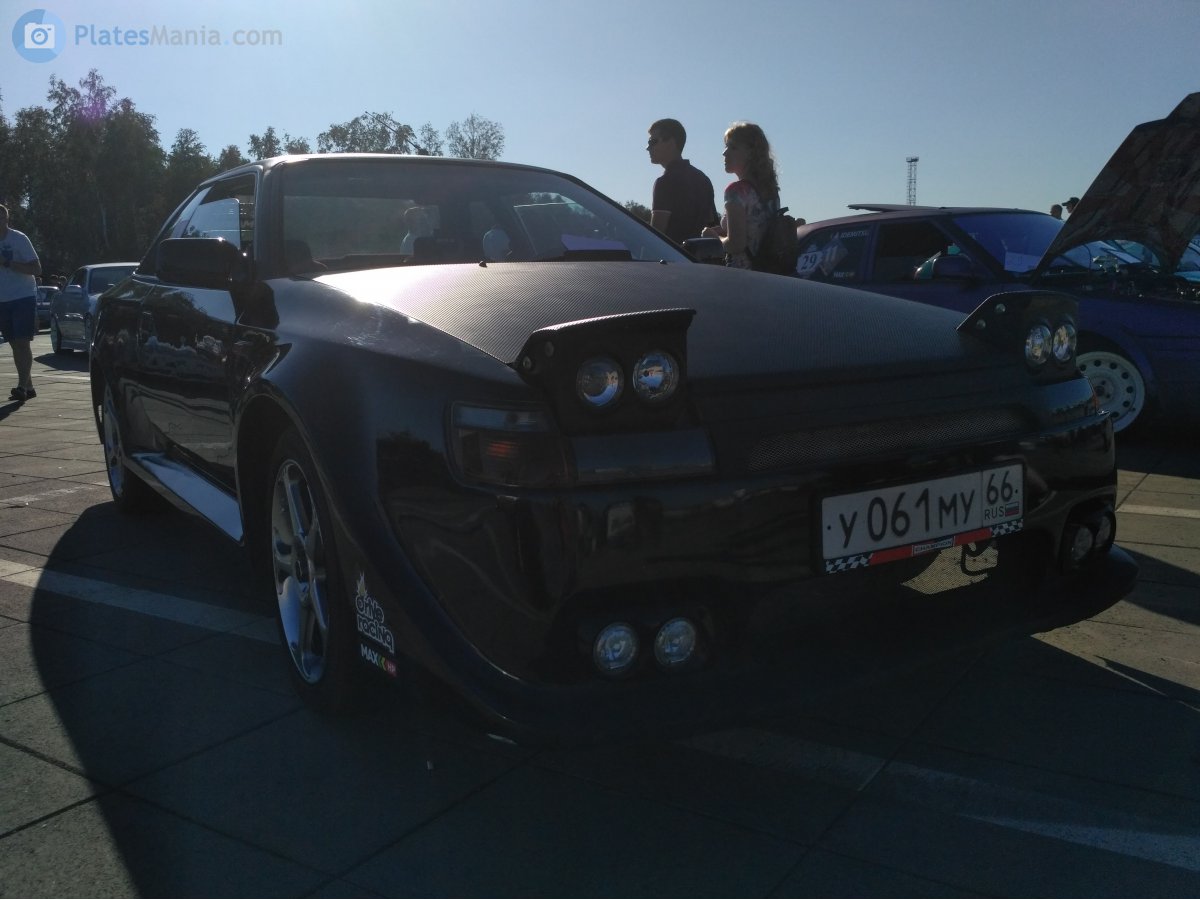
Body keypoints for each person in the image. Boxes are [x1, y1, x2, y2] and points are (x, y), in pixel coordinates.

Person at [701, 122, 781, 269]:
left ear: (750, 152)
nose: (724, 153)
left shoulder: (736, 191)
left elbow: (736, 245)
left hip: (741, 276)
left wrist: (713, 238)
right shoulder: (771, 190)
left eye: (733, 147)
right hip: (769, 272)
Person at [647, 118, 718, 244]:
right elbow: (712, 225)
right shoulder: (703, 179)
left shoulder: (665, 182)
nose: (648, 148)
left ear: (671, 142)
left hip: (673, 259)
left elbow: (656, 237)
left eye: (653, 142)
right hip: (701, 259)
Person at [0, 204, 42, 402]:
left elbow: (37, 268)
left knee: (22, 342)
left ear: (7, 220)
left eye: (1, 219)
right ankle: (29, 386)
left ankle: (21, 388)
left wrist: (8, 263)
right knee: (14, 344)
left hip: (23, 297)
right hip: (2, 299)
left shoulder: (19, 239)